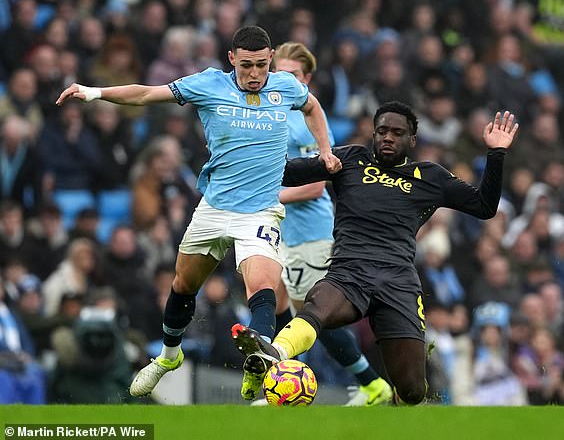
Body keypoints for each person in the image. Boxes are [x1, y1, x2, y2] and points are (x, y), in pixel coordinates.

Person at [56, 25, 341, 397]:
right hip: (214, 207)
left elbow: (313, 107)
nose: (254, 75)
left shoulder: (286, 86)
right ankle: (169, 355)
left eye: (260, 65)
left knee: (264, 285)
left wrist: (325, 150)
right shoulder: (209, 84)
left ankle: (264, 359)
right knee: (183, 285)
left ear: (270, 59)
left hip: (260, 212)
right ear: (231, 59)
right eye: (246, 66)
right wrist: (94, 92)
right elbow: (145, 94)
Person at [232, 102, 518, 405]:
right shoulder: (350, 159)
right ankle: (273, 353)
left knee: (412, 390)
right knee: (316, 307)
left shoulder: (430, 177)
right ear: (374, 133)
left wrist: (496, 154)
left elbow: (485, 207)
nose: (388, 138)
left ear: (412, 140)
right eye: (382, 131)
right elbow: (287, 173)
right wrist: (255, 143)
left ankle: (393, 410)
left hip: (398, 281)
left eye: (397, 132)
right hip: (349, 271)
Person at [263, 41, 392, 405]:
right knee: (280, 307)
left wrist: (265, 198)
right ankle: (284, 385)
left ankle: (371, 384)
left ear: (306, 80)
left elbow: (316, 186)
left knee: (312, 318)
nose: (281, 80)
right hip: (281, 233)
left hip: (311, 236)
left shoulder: (307, 122)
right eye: (278, 73)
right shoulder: (273, 114)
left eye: (290, 75)